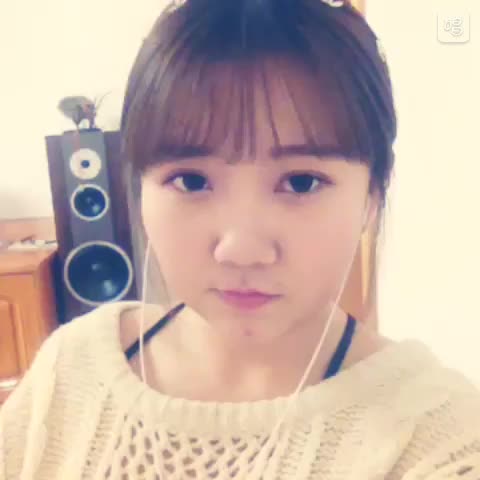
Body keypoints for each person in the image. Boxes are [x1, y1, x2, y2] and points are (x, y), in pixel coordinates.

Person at [1, 0, 479, 478]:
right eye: (191, 180)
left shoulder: (436, 439)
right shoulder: (71, 371)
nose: (241, 249)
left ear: (373, 194)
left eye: (301, 183)